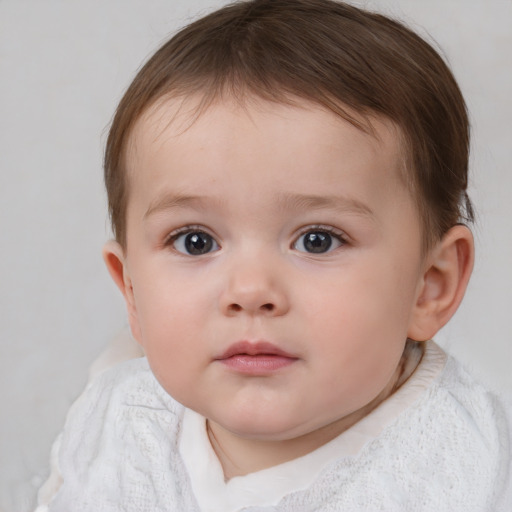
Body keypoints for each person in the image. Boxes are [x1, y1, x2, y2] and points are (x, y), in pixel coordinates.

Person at [36, 0, 511, 510]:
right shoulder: (118, 418)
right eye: (195, 241)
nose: (250, 291)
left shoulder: (468, 477)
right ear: (131, 289)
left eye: (318, 240)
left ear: (430, 285)